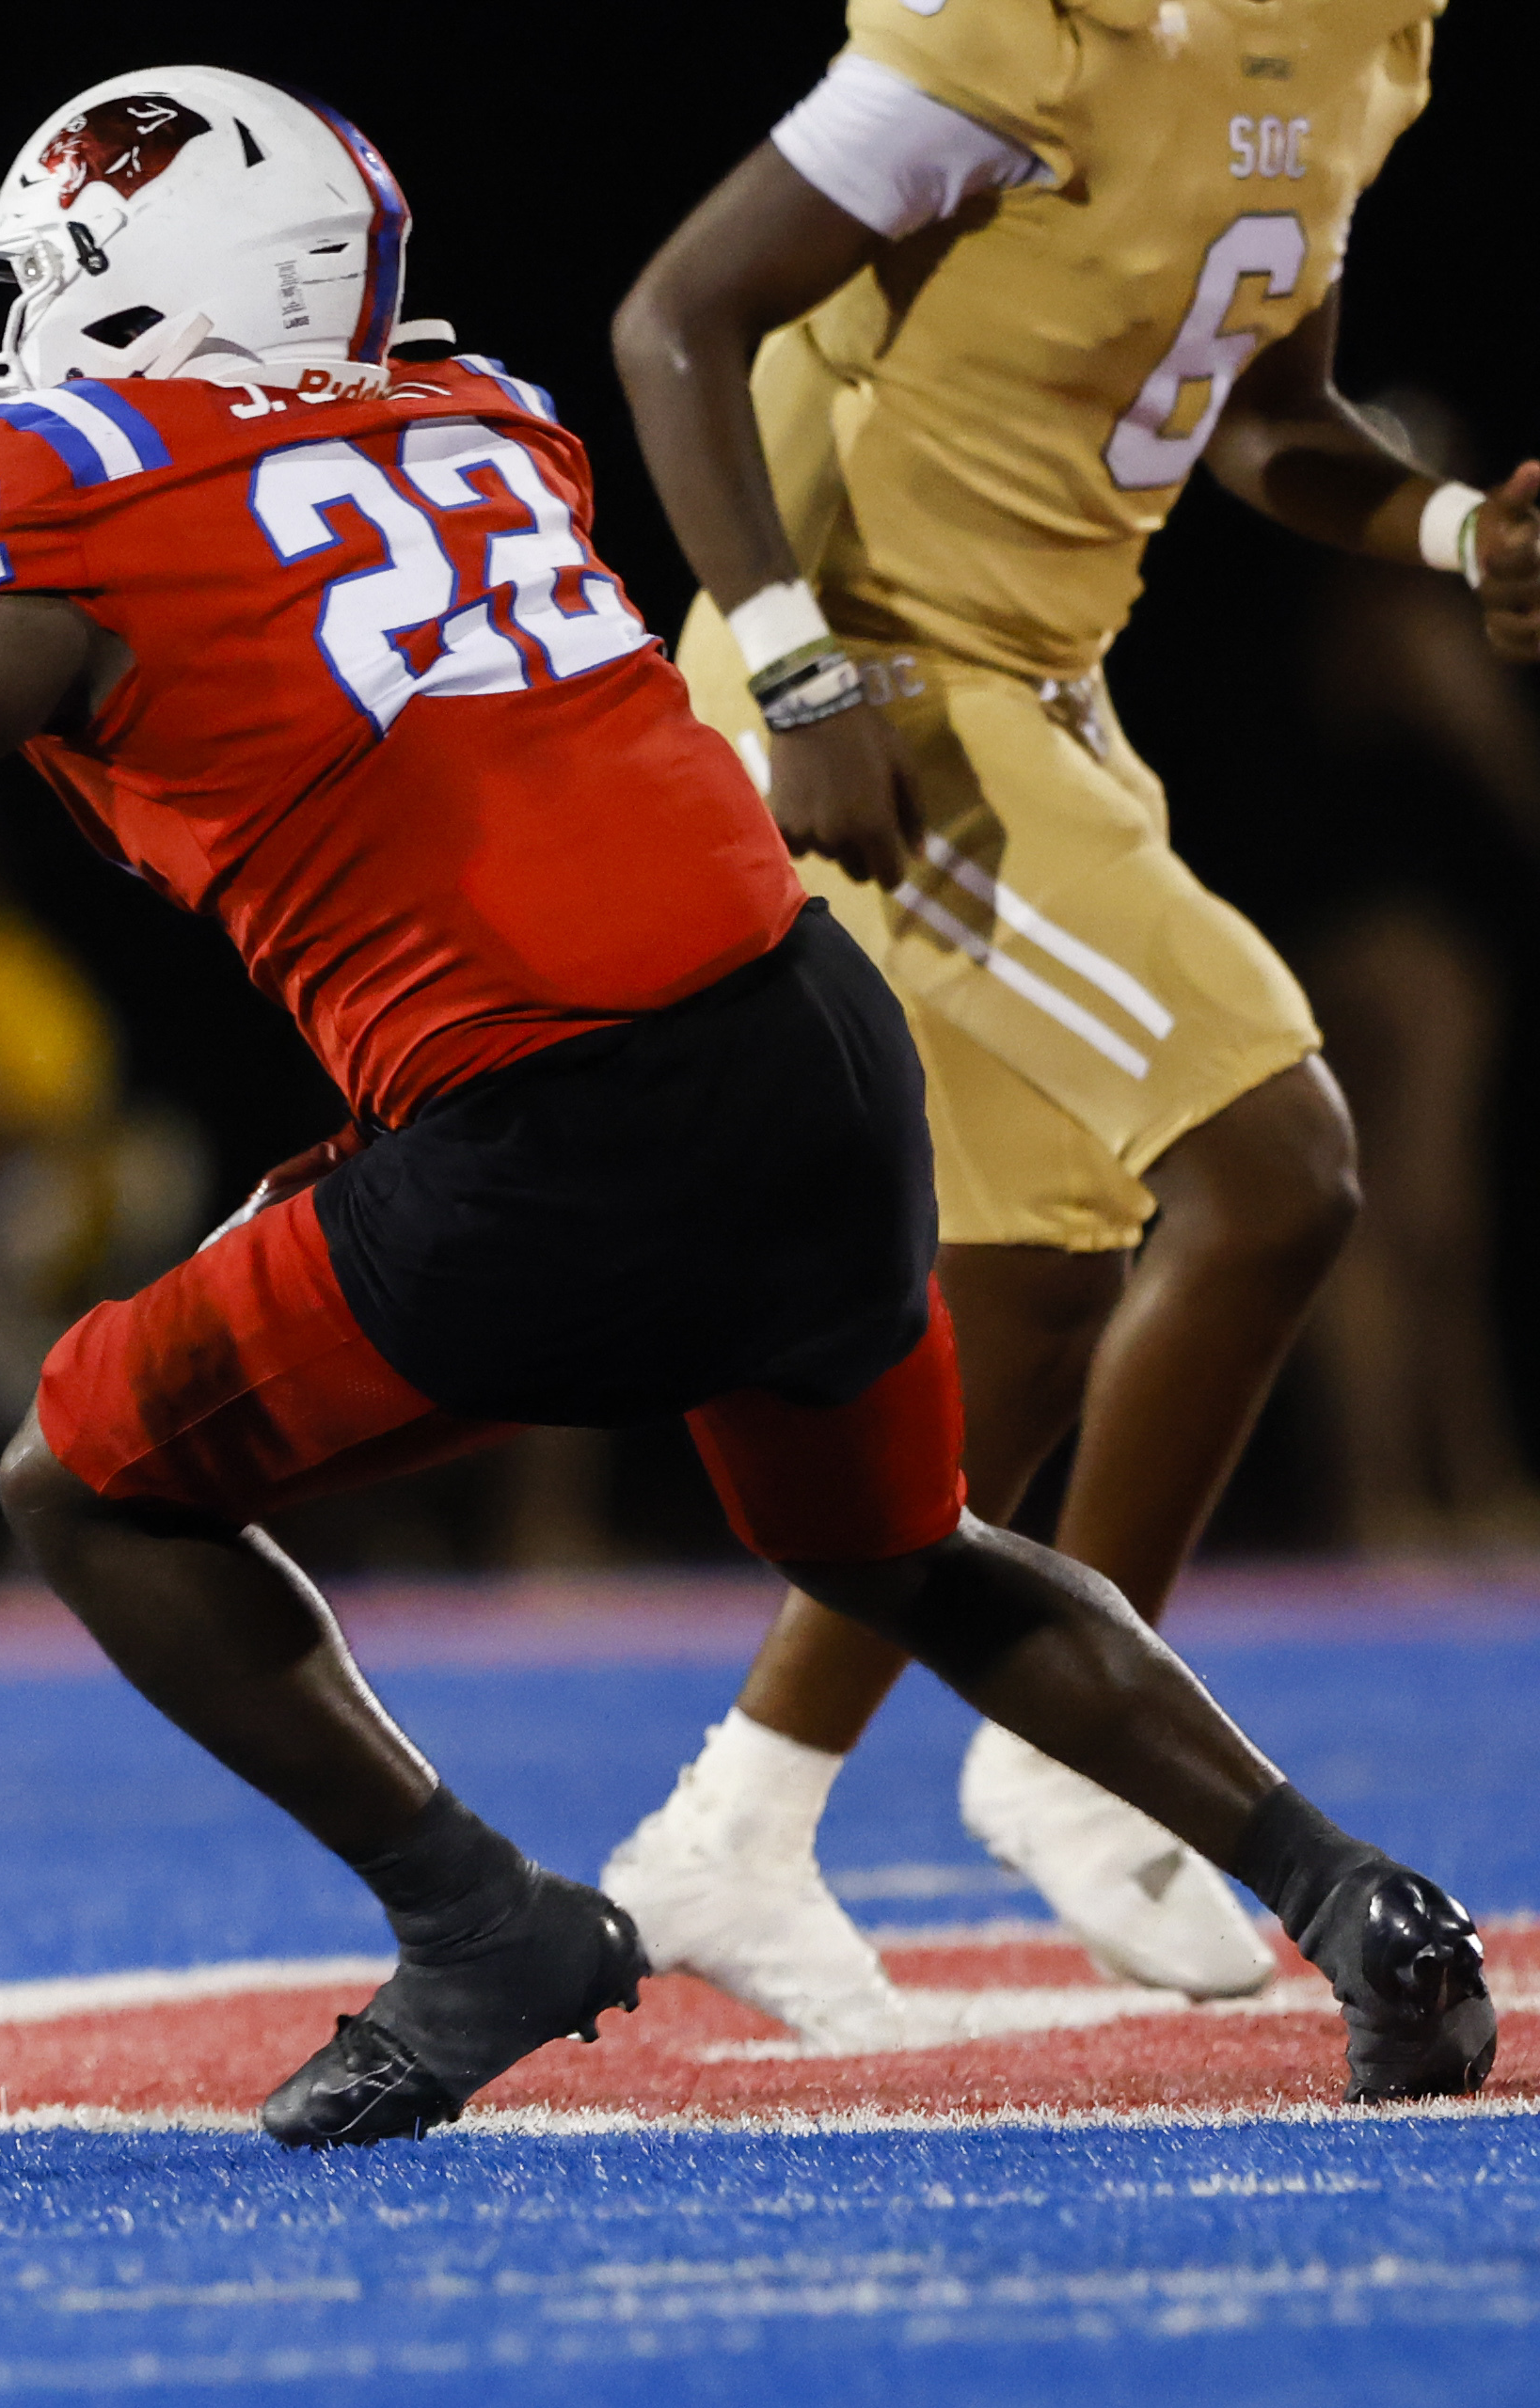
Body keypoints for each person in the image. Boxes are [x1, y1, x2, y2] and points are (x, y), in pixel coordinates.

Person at [0, 67, 1498, 2141]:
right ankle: (1341, 1885)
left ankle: (476, 1920)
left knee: (85, 1475)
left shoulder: (81, 505)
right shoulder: (480, 424)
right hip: (809, 1046)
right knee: (903, 1550)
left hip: (558, 1130)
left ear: (140, 293)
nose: (15, 340)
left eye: (47, 284)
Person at [598, 0, 1537, 2041]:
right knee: (1278, 1160)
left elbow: (1268, 417)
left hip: (1040, 692)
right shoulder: (1024, 30)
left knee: (1026, 1291)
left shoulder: (1361, 49)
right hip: (877, 691)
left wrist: (1455, 529)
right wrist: (797, 667)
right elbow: (676, 319)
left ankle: (737, 1816)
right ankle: (1086, 1750)